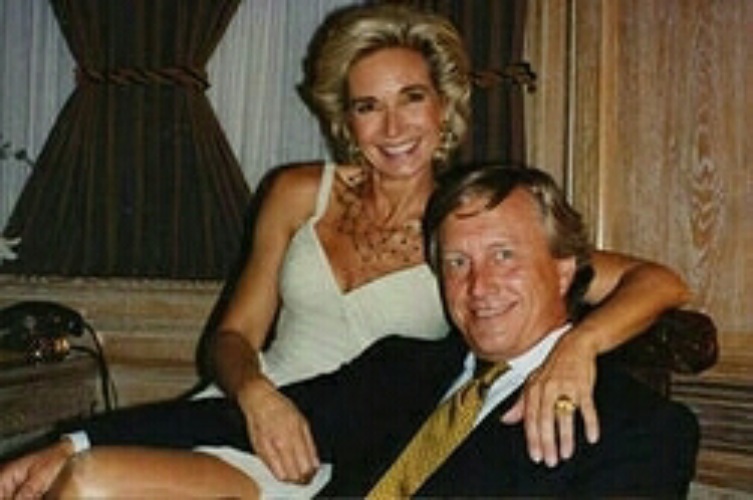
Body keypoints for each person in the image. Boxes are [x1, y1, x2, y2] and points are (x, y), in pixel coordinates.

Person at [0, 3, 690, 498]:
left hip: (338, 447)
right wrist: (255, 393)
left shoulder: (469, 224)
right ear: (344, 117)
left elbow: (659, 281)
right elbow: (232, 337)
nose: (392, 127)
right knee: (77, 474)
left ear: (444, 107)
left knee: (92, 484)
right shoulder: (299, 192)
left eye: (411, 98)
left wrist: (580, 347)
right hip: (256, 407)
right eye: (367, 106)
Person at [0, 165, 699, 499]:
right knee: (86, 483)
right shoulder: (406, 368)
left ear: (566, 270)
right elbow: (233, 419)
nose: (478, 287)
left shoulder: (638, 428)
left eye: (504, 257)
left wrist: (582, 345)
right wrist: (72, 441)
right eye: (456, 263)